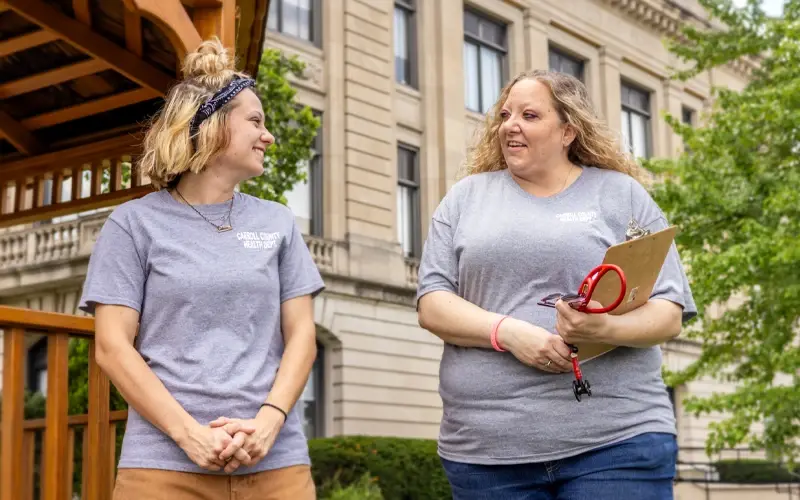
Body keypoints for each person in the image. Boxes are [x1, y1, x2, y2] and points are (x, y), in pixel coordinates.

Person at [416, 69, 696, 500]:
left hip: (616, 443)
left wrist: (605, 330)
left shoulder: (620, 195)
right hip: (486, 454)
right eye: (506, 114)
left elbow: (669, 311)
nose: (510, 124)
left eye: (529, 115)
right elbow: (432, 303)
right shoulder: (464, 198)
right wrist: (508, 333)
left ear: (568, 130)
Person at [78, 38, 324, 500]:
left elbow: (303, 337)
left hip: (276, 464)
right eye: (255, 121)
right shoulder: (132, 225)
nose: (268, 136)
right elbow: (112, 347)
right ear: (209, 127)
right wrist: (190, 435)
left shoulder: (278, 222)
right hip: (164, 468)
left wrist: (269, 423)